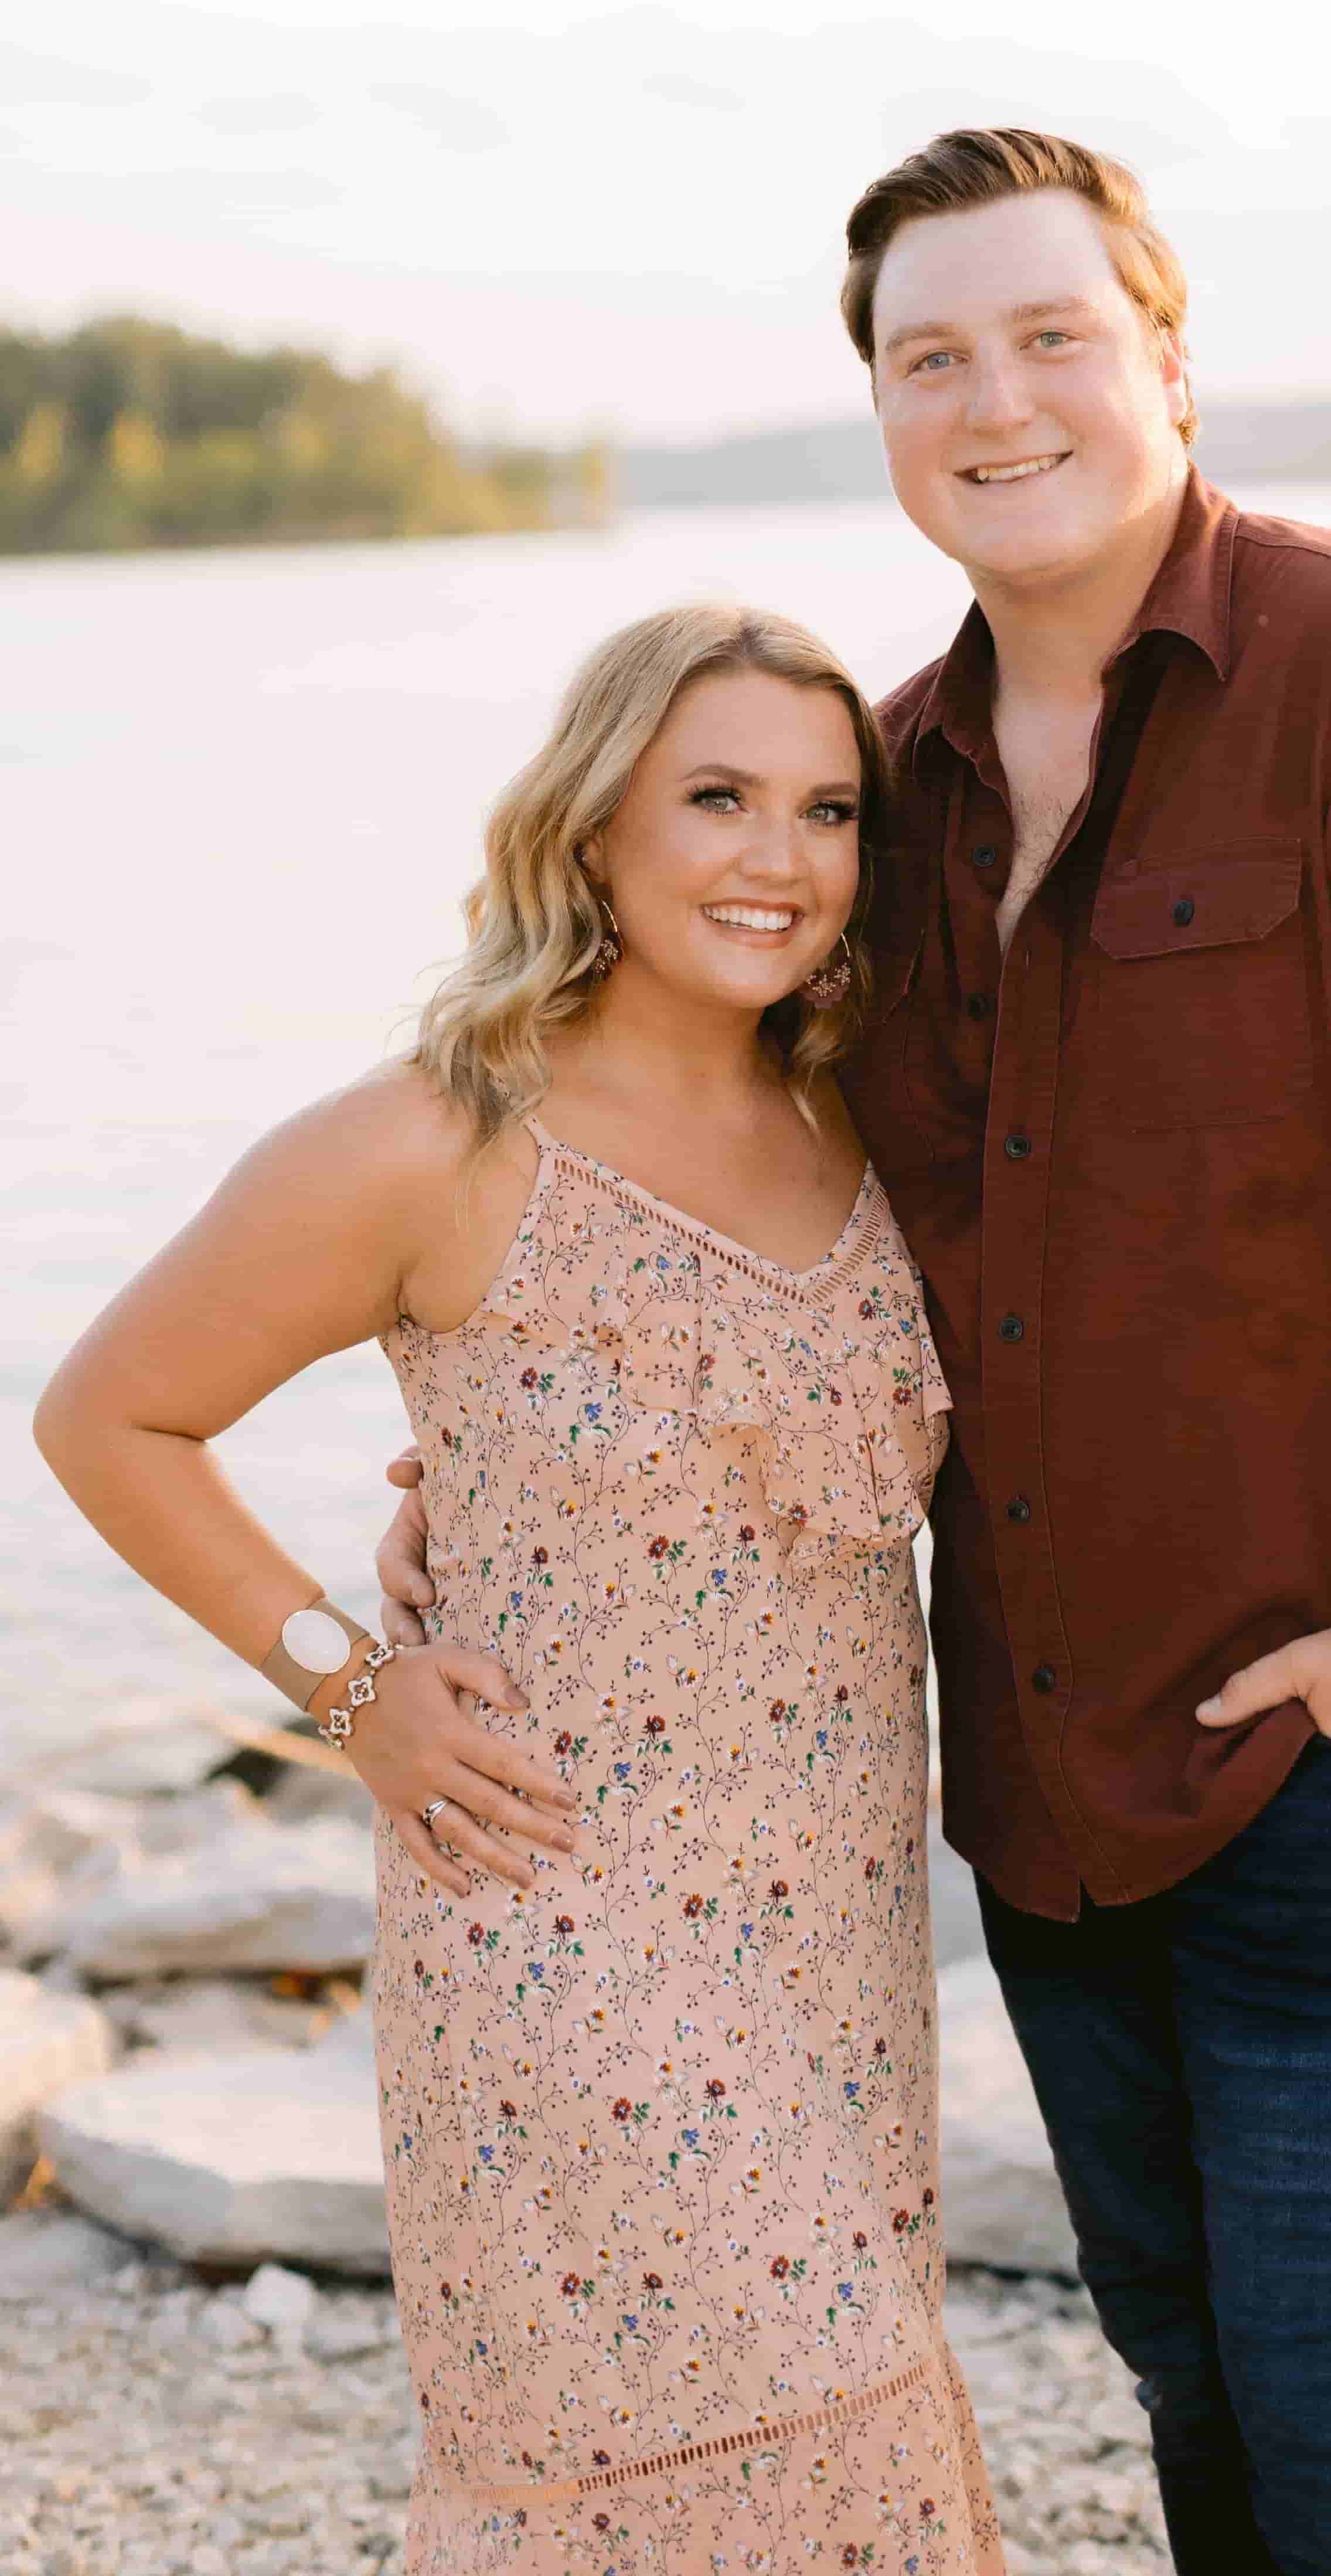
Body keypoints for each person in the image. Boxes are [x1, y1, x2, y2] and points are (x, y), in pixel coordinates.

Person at [370, 127, 1331, 2575]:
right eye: (931, 358)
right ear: (882, 413)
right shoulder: (879, 792)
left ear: (1168, 365)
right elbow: (778, 1215)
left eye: (1049, 337)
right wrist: (506, 1455)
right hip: (1052, 1784)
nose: (994, 401)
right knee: (1201, 2411)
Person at [35, 603, 1005, 2576]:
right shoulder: (440, 1136)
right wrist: (348, 1687)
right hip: (557, 1928)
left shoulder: (857, 1111)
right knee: (738, 2434)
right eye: (717, 797)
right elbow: (111, 1416)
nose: (780, 857)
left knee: (848, 2441)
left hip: (832, 1947)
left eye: (828, 810)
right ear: (595, 825)